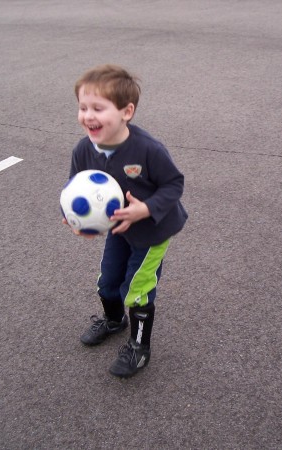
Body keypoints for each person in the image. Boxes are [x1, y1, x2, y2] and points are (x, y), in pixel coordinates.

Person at [63, 64, 188, 378]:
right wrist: (73, 217)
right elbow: (75, 188)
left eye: (98, 108)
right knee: (107, 282)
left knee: (137, 288)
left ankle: (139, 346)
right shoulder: (83, 150)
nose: (88, 115)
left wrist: (144, 209)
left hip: (151, 230)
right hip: (118, 228)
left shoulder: (147, 149)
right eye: (82, 107)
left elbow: (174, 184)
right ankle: (115, 320)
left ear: (126, 111)